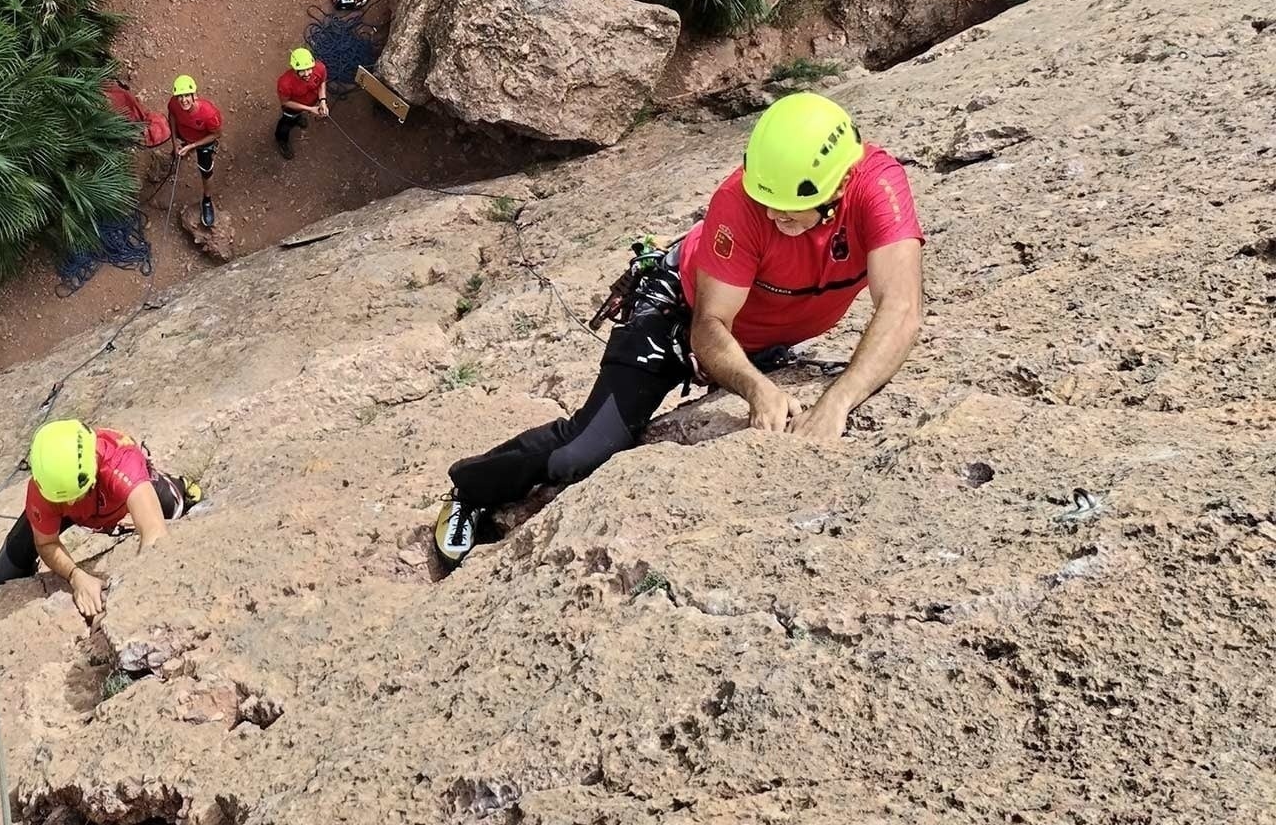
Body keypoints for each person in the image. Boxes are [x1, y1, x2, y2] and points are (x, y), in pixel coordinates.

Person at [434, 92, 925, 565]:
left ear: (839, 188)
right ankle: (469, 490)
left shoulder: (876, 188)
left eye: (788, 208)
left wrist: (837, 402)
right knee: (582, 451)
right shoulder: (741, 202)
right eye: (766, 200)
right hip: (678, 313)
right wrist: (756, 389)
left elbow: (901, 307)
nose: (774, 216)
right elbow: (708, 325)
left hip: (763, 337)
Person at [0, 419, 200, 617]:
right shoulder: (45, 487)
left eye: (76, 496)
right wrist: (75, 575)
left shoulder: (120, 460)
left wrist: (135, 592)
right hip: (71, 508)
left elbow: (153, 532)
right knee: (2, 574)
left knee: (174, 507)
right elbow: (46, 542)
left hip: (118, 493)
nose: (71, 503)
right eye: (65, 499)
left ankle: (174, 484)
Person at [168, 73, 224, 230]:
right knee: (178, 152)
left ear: (194, 95)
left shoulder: (208, 114)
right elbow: (172, 116)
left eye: (187, 95)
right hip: (183, 136)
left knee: (206, 171)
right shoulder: (174, 103)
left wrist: (192, 146)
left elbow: (216, 134)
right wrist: (174, 141)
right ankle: (177, 156)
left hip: (202, 141)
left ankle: (207, 200)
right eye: (180, 96)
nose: (183, 100)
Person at [274, 45, 330, 160]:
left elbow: (322, 83)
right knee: (286, 124)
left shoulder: (320, 68)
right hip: (292, 109)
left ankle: (298, 118)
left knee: (298, 116)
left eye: (309, 69)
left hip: (310, 103)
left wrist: (323, 101)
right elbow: (285, 103)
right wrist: (310, 109)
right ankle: (281, 140)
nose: (307, 74)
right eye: (302, 71)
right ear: (295, 69)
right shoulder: (285, 83)